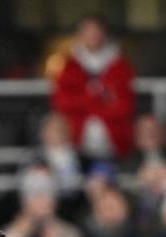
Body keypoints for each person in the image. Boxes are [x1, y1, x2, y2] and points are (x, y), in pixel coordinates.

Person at [50, 15, 135, 160]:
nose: (93, 36)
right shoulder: (69, 66)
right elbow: (63, 102)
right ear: (79, 35)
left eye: (97, 31)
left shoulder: (120, 66)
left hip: (115, 141)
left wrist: (87, 101)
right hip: (76, 140)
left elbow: (124, 105)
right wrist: (99, 99)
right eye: (88, 32)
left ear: (105, 34)